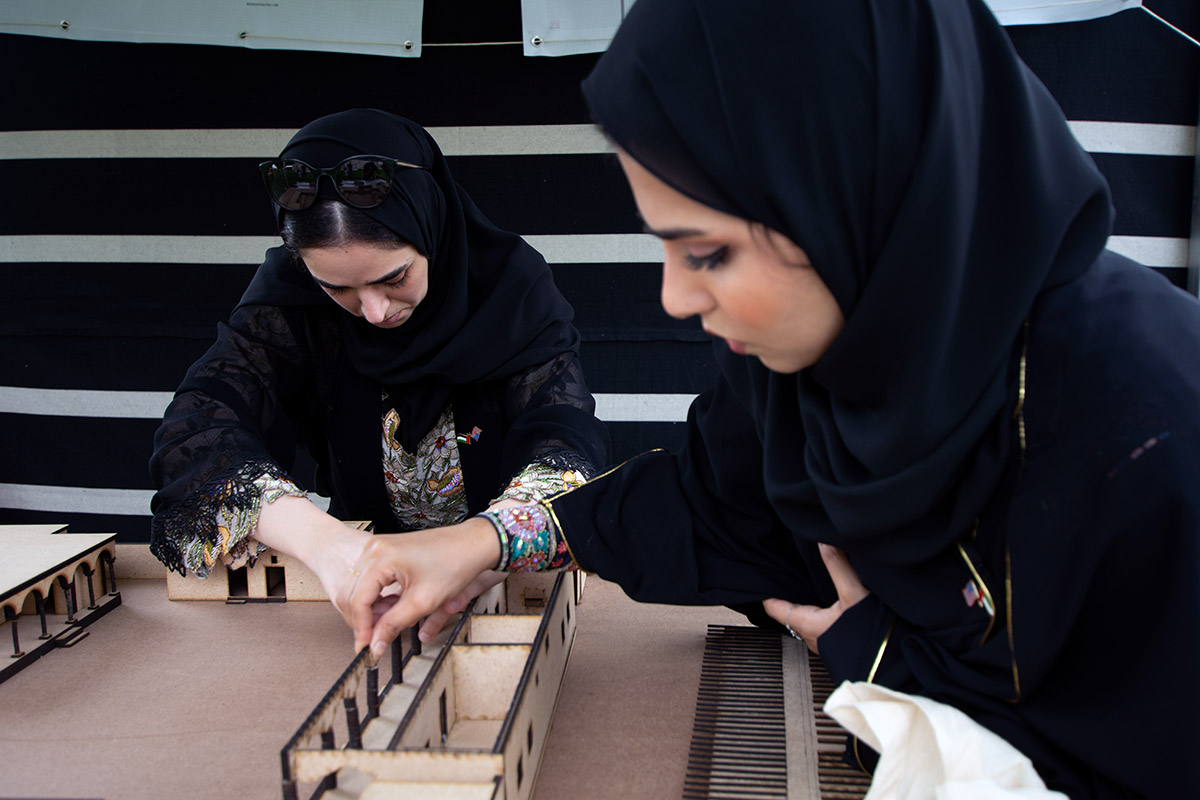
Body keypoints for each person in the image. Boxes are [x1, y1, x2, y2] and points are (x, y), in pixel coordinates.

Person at [340, 2, 1200, 797]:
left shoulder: (1150, 431)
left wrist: (883, 663)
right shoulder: (816, 357)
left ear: (858, 200)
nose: (675, 299)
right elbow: (707, 500)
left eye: (708, 253)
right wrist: (486, 541)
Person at [148, 109, 609, 608]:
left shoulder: (514, 294)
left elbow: (563, 439)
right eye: (337, 287)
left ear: (432, 228)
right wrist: (327, 546)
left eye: (394, 278)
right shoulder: (290, 303)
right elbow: (197, 426)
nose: (373, 311)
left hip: (502, 581)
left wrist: (486, 544)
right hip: (353, 582)